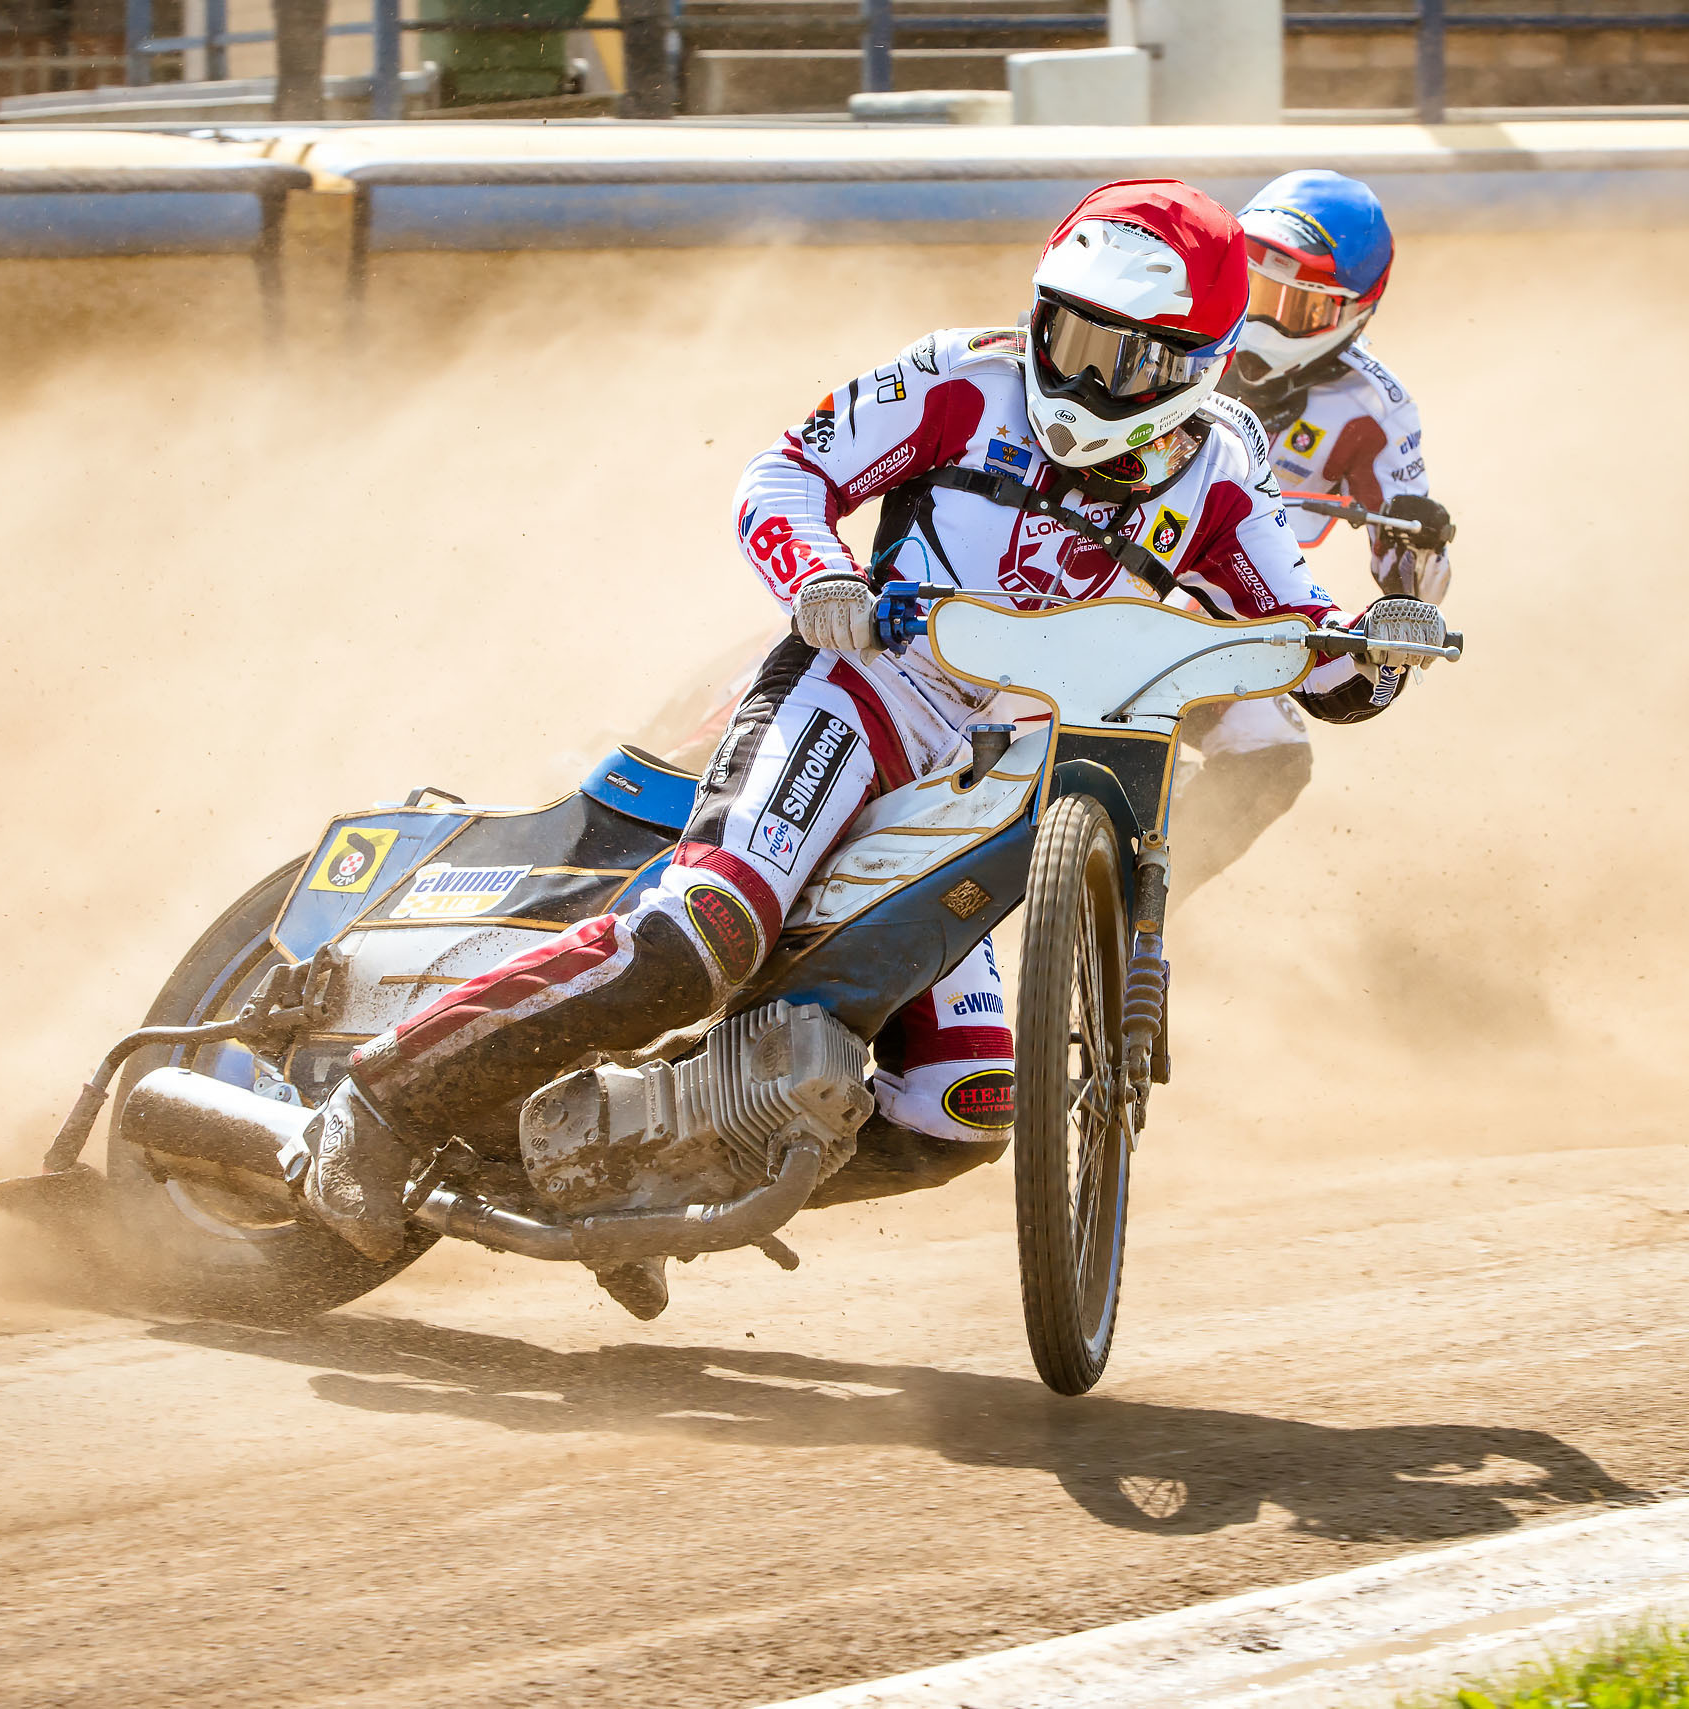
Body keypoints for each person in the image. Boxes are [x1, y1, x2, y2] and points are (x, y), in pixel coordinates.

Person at [305, 179, 1423, 1273]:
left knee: (962, 1107)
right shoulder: (958, 375)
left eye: (1120, 356)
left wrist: (1376, 650)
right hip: (865, 688)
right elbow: (785, 474)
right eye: (1067, 331)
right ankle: (375, 1103)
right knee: (700, 927)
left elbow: (1308, 640)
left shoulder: (1224, 471)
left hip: (996, 770)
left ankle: (637, 1170)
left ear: (1195, 365)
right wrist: (821, 575)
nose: (1077, 373)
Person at [1173, 169, 1456, 897]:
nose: (1260, 322)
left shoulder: (1377, 409)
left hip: (1232, 612)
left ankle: (1138, 911)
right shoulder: (1174, 324)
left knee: (1272, 756)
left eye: (1290, 304)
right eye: (1253, 287)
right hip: (1093, 566)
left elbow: (1412, 591)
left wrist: (1420, 550)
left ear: (1351, 315)